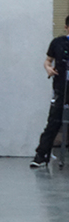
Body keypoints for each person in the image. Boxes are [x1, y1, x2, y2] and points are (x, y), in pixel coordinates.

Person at [30, 15, 69, 168]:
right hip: (62, 88)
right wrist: (48, 68)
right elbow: (48, 61)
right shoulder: (58, 43)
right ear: (66, 27)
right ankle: (41, 156)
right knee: (53, 122)